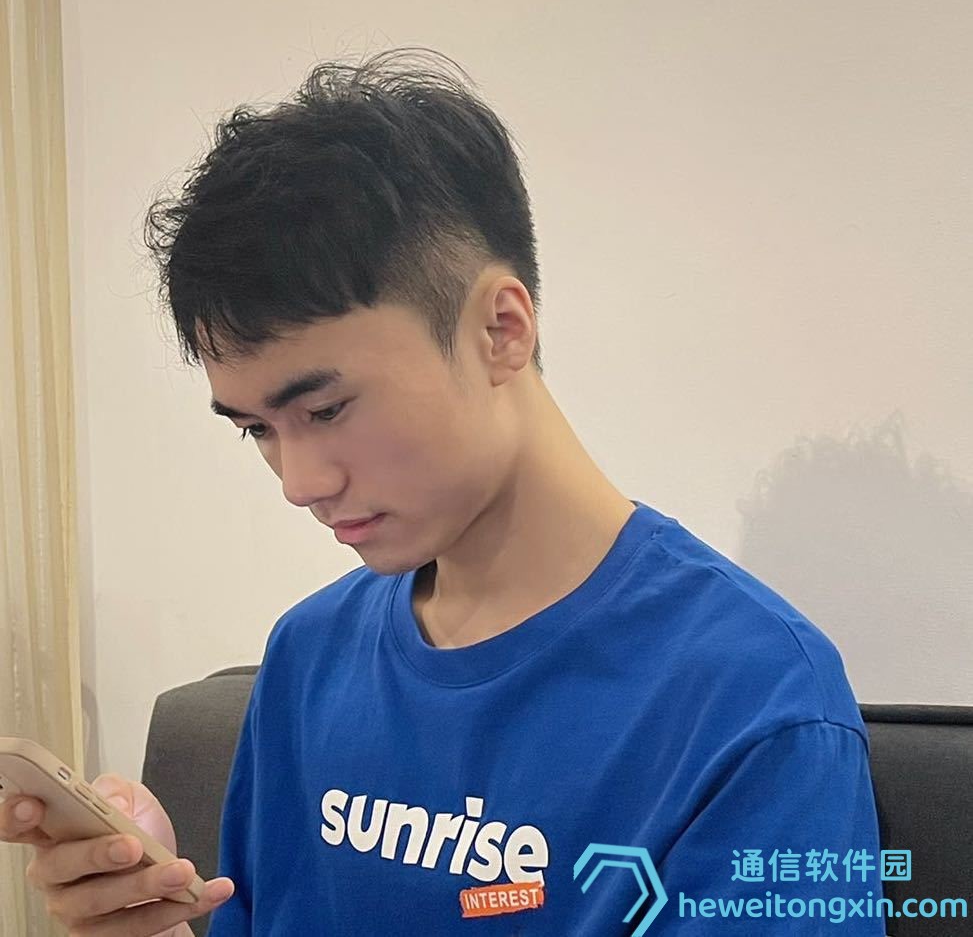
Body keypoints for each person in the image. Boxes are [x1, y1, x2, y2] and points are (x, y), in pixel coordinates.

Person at [2, 47, 886, 935]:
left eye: (327, 408)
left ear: (500, 329)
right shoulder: (309, 656)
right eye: (256, 429)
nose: (300, 482)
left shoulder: (753, 704)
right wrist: (153, 922)